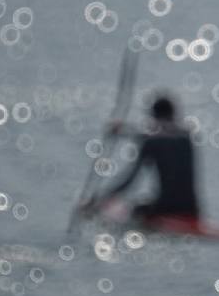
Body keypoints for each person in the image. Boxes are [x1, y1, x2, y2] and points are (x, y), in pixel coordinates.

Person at [84, 93, 201, 221]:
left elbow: (128, 181)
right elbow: (156, 134)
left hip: (165, 209)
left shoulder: (151, 143)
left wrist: (100, 199)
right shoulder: (186, 138)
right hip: (192, 209)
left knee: (135, 208)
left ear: (153, 117)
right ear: (174, 114)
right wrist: (124, 130)